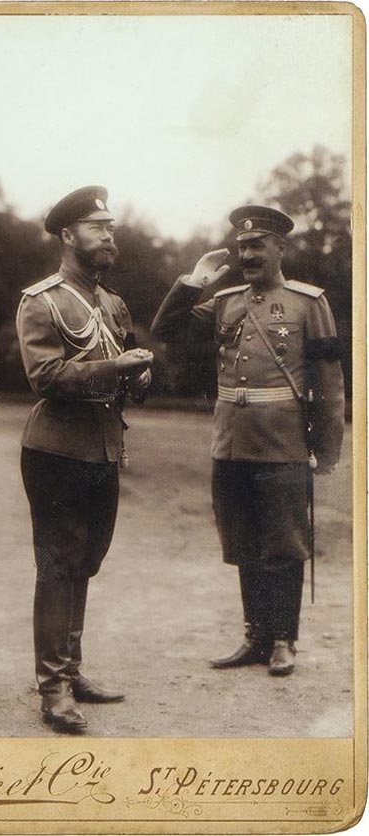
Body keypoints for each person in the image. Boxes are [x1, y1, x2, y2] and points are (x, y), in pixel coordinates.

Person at [152, 205, 344, 676]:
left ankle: (284, 640)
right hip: (231, 441)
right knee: (242, 540)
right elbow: (166, 331)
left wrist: (328, 446)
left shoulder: (308, 303)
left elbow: (331, 380)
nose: (247, 255)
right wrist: (193, 281)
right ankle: (255, 636)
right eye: (241, 247)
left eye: (257, 245)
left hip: (282, 441)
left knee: (283, 542)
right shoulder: (226, 301)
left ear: (280, 247)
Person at [16, 185, 153, 732]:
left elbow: (124, 378)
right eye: (98, 227)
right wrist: (116, 368)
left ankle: (70, 671)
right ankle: (53, 691)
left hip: (103, 447)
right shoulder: (41, 299)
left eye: (112, 227)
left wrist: (139, 377)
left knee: (87, 562)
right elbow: (44, 376)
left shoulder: (112, 302)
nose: (109, 235)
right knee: (58, 565)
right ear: (69, 235)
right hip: (56, 450)